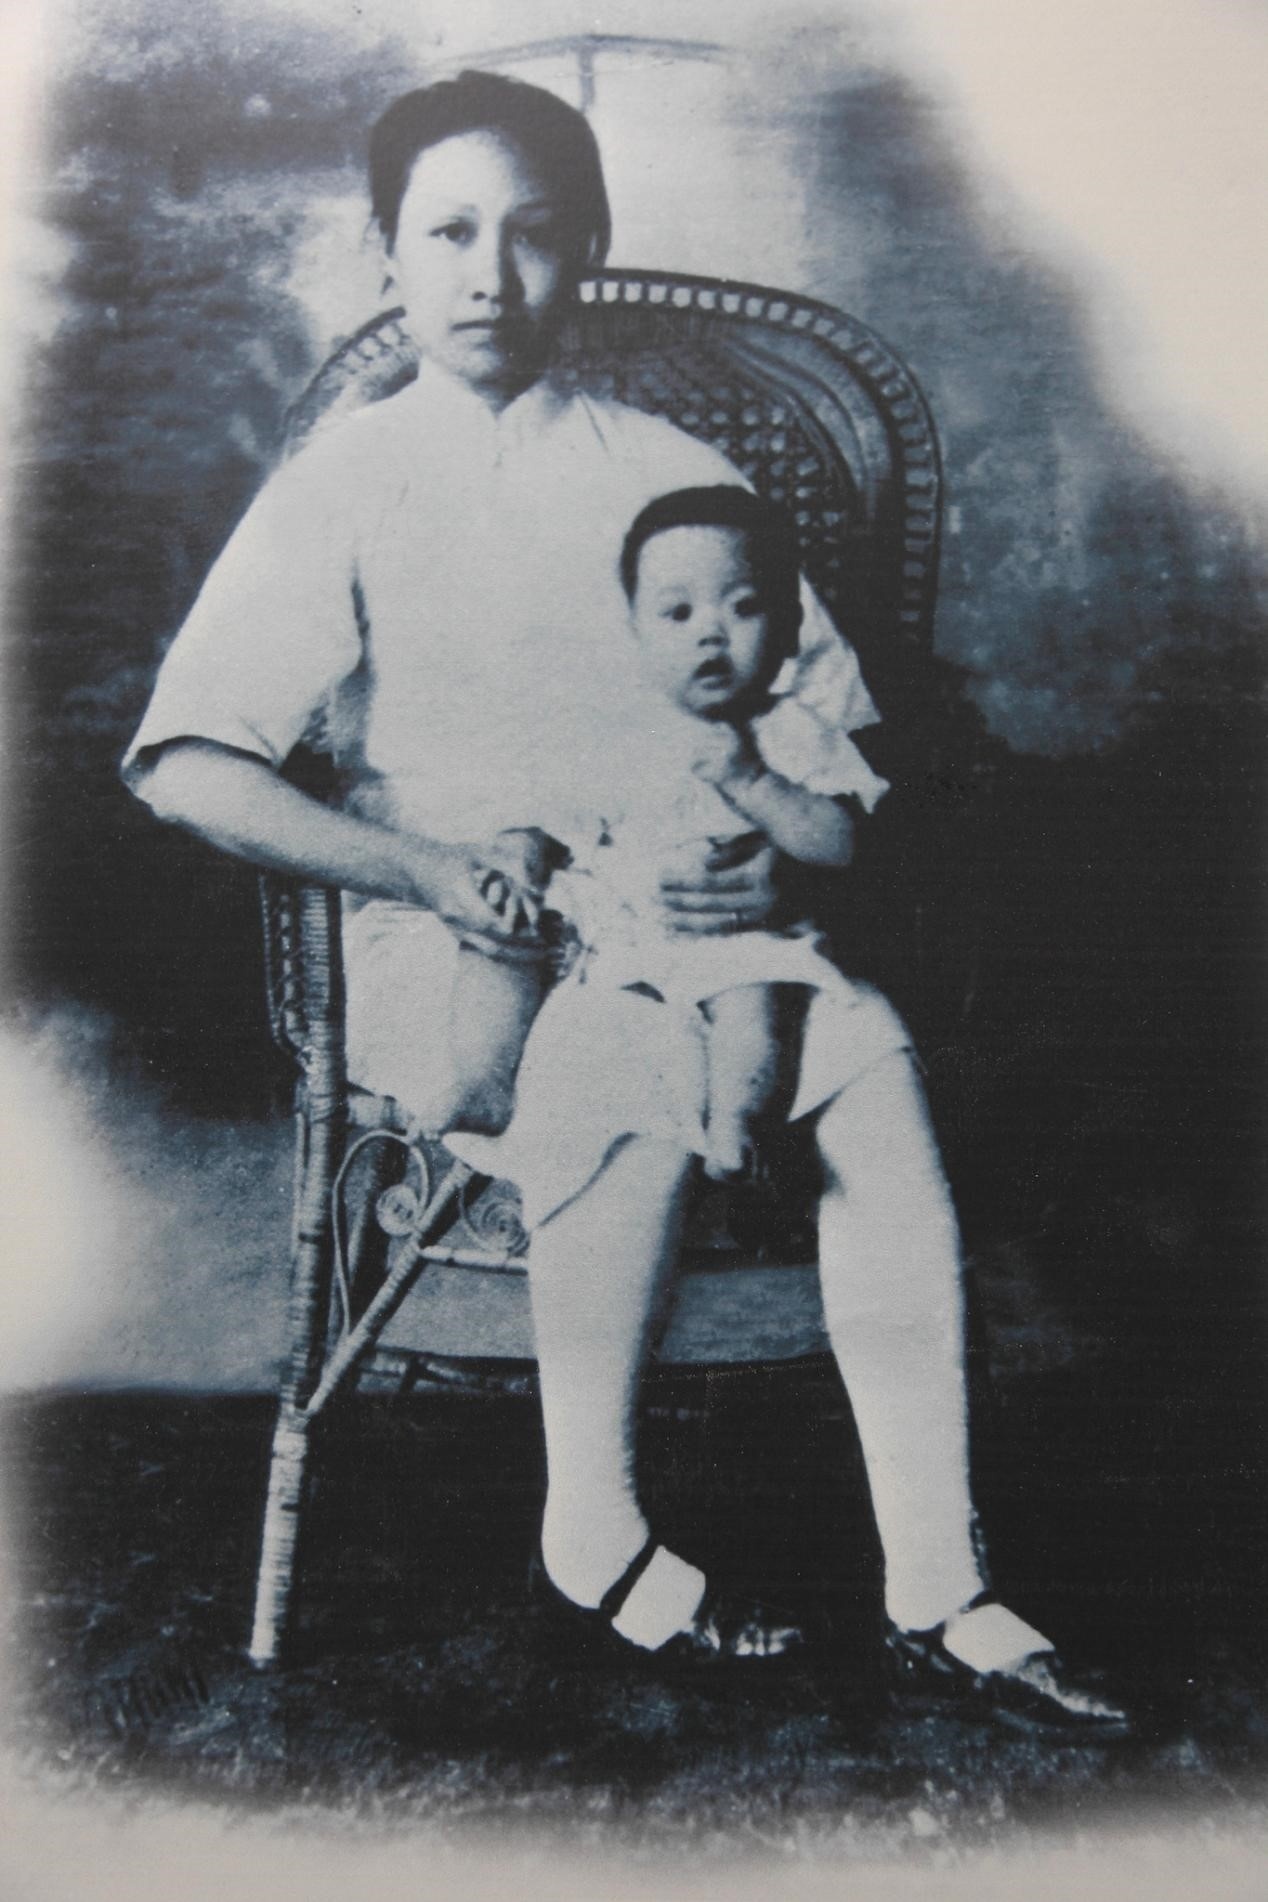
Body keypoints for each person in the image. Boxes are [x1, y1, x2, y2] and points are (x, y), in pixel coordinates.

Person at [121, 69, 1127, 1735]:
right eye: (449, 233)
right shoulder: (347, 482)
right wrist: (427, 868)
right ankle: (589, 1528)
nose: (488, 275)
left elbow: (836, 738)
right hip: (467, 938)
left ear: (587, 250)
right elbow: (184, 766)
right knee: (621, 1047)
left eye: (532, 235)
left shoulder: (673, 472)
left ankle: (940, 1589)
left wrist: (771, 852)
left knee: (871, 1058)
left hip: (696, 918)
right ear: (388, 254)